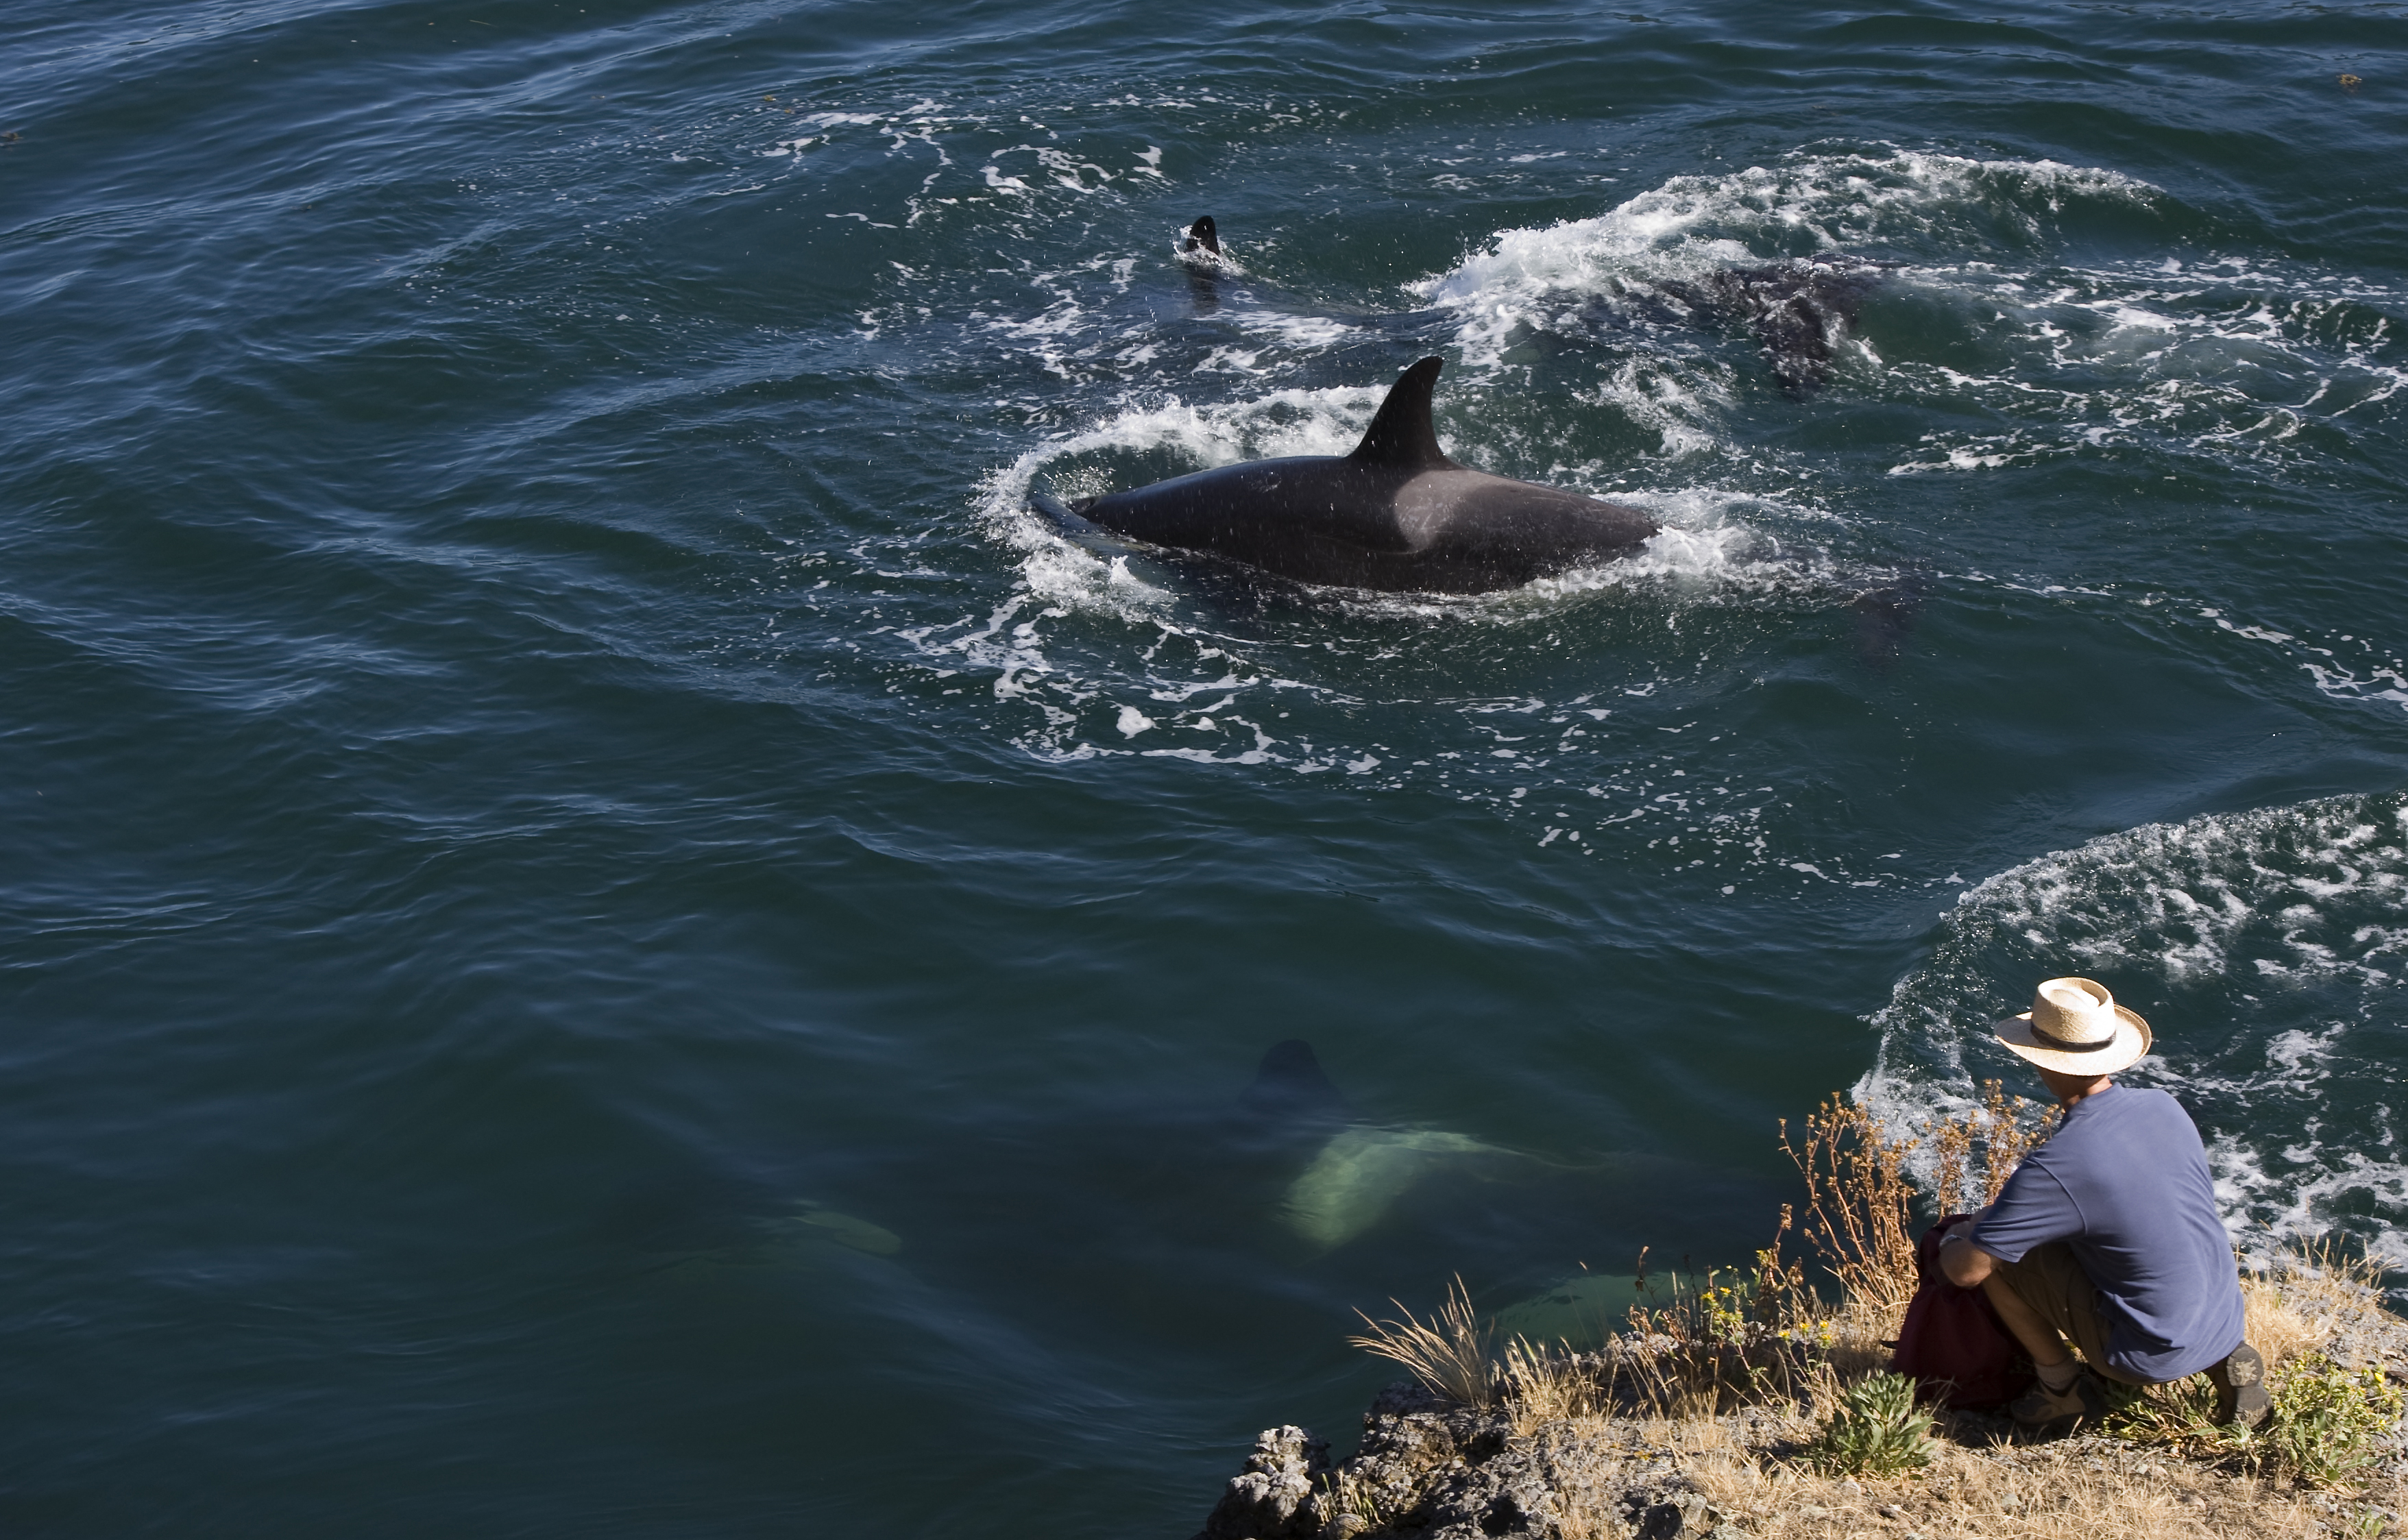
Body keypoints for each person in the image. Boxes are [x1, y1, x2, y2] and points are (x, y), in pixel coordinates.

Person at [1935, 977, 2269, 1432]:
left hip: (2143, 1353)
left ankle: (2060, 1392)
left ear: (2039, 1060)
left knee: (2002, 1261)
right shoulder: (2163, 1105)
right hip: (2224, 1317)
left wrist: (1957, 1235)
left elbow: (1965, 1270)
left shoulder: (2059, 1164)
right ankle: (2220, 1358)